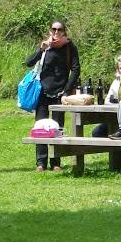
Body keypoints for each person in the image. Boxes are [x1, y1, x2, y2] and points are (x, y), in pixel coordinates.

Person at [24, 20, 80, 171]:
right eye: (53, 29)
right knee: (41, 126)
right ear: (50, 31)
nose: (56, 32)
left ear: (64, 32)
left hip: (60, 93)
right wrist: (40, 50)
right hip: (42, 91)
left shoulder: (69, 47)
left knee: (57, 127)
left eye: (59, 29)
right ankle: (41, 162)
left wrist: (67, 91)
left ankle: (56, 162)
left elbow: (75, 70)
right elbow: (28, 63)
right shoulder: (45, 46)